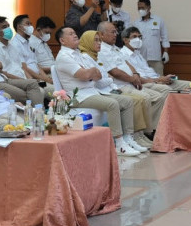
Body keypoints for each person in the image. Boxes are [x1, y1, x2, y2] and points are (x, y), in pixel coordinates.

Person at [55, 26, 144, 156]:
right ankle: (119, 144)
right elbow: (86, 75)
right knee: (112, 104)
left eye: (75, 33)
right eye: (70, 34)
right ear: (62, 41)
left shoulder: (79, 54)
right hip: (78, 96)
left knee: (127, 101)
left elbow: (97, 75)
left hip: (92, 91)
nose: (75, 35)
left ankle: (128, 138)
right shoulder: (64, 56)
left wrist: (90, 73)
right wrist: (90, 73)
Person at [78, 30, 154, 150]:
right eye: (96, 40)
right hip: (99, 91)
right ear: (87, 42)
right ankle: (123, 141)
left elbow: (105, 78)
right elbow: (99, 81)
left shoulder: (95, 57)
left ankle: (130, 137)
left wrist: (109, 79)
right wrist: (109, 79)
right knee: (133, 100)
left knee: (129, 101)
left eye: (99, 41)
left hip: (109, 89)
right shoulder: (85, 58)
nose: (99, 44)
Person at [97, 21, 167, 136]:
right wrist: (132, 79)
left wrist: (134, 74)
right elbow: (114, 72)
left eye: (116, 32)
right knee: (144, 97)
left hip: (131, 82)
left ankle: (154, 129)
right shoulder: (102, 50)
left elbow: (126, 62)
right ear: (102, 34)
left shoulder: (114, 48)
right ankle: (146, 133)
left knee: (158, 96)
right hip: (121, 85)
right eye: (112, 32)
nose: (115, 34)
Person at [0, 16, 43, 106]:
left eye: (8, 26)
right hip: (7, 81)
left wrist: (28, 79)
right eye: (4, 27)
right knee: (32, 92)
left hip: (20, 80)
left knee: (35, 87)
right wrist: (24, 80)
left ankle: (38, 114)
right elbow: (3, 73)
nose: (9, 29)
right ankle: (39, 115)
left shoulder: (12, 46)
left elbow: (21, 67)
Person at [120, 26, 191, 91]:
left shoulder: (138, 54)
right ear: (125, 40)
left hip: (155, 80)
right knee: (166, 89)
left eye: (139, 37)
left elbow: (148, 72)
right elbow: (134, 77)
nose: (138, 39)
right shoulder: (122, 55)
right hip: (144, 84)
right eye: (134, 37)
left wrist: (162, 78)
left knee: (189, 85)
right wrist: (157, 80)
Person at [10, 14, 54, 88]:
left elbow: (36, 65)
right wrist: (43, 79)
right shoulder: (15, 44)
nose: (31, 26)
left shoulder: (28, 42)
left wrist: (46, 78)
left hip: (40, 77)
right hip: (31, 79)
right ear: (19, 27)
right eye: (27, 24)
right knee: (57, 92)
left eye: (31, 24)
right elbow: (24, 68)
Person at [132, 0, 171, 75]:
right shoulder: (136, 23)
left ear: (149, 8)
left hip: (156, 58)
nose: (140, 10)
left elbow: (165, 38)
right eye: (139, 8)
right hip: (141, 58)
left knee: (160, 81)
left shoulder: (159, 20)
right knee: (145, 82)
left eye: (142, 8)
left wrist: (166, 52)